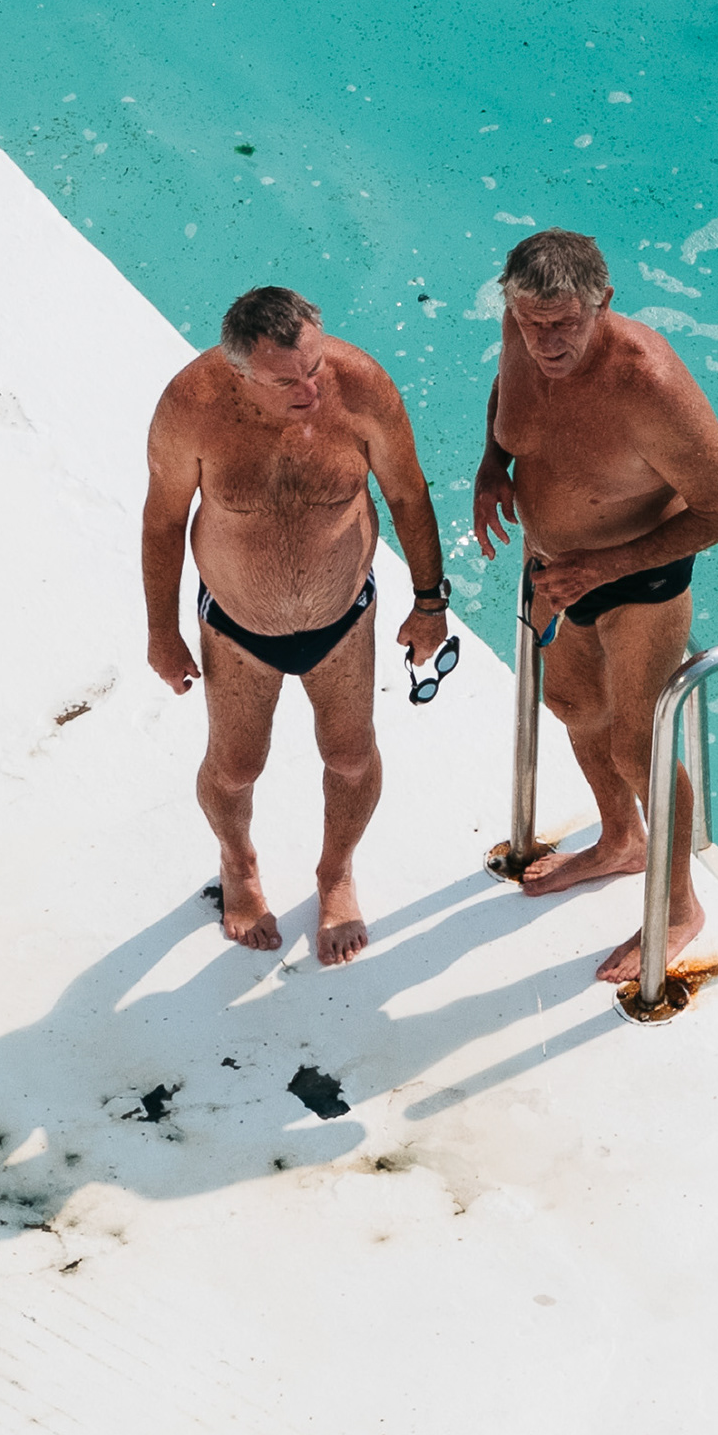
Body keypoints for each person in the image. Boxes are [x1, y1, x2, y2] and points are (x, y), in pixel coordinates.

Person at [468, 231, 718, 990]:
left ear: (604, 304)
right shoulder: (522, 330)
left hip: (637, 582)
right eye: (532, 323)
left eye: (565, 324)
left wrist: (603, 566)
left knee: (639, 746)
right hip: (554, 569)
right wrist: (494, 465)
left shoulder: (648, 384)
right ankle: (621, 840)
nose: (546, 341)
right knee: (570, 704)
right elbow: (508, 394)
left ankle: (679, 906)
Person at [142, 284, 453, 964]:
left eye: (313, 368)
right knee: (235, 766)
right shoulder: (191, 408)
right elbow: (163, 521)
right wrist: (161, 633)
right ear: (239, 370)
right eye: (286, 380)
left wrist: (430, 603)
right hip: (235, 626)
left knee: (350, 755)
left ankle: (335, 872)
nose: (310, 390)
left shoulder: (361, 387)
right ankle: (238, 864)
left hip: (344, 618)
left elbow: (407, 491)